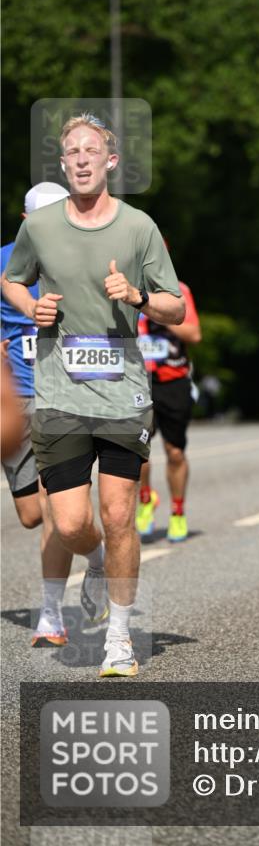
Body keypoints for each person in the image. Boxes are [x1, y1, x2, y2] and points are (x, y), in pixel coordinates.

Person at [2, 113, 184, 678]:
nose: (82, 159)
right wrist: (32, 306)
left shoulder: (138, 227)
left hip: (122, 395)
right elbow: (12, 278)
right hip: (58, 396)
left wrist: (138, 296)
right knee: (70, 523)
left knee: (119, 513)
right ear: (64, 164)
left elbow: (175, 306)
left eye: (91, 150)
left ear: (110, 161)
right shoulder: (40, 227)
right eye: (72, 152)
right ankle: (99, 560)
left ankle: (119, 640)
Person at [1, 182, 74, 647]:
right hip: (17, 400)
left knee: (54, 506)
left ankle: (51, 615)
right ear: (26, 221)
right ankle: (96, 552)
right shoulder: (4, 262)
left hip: (62, 396)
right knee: (31, 514)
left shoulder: (82, 257)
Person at [135, 278, 201, 542]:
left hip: (173, 381)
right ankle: (145, 499)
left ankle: (178, 512)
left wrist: (159, 314)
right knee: (137, 451)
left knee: (175, 452)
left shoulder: (178, 290)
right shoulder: (122, 287)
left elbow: (194, 335)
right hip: (136, 380)